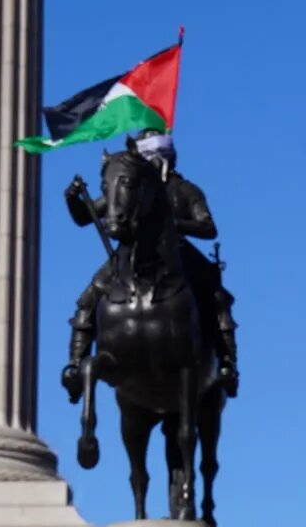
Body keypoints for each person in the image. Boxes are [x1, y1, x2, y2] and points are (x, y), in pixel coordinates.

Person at [61, 129, 240, 399]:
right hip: (128, 255)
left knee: (217, 296)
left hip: (178, 253)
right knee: (88, 297)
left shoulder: (185, 190)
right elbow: (87, 216)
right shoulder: (127, 186)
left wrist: (169, 224)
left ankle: (227, 364)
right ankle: (75, 366)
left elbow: (208, 227)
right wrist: (72, 198)